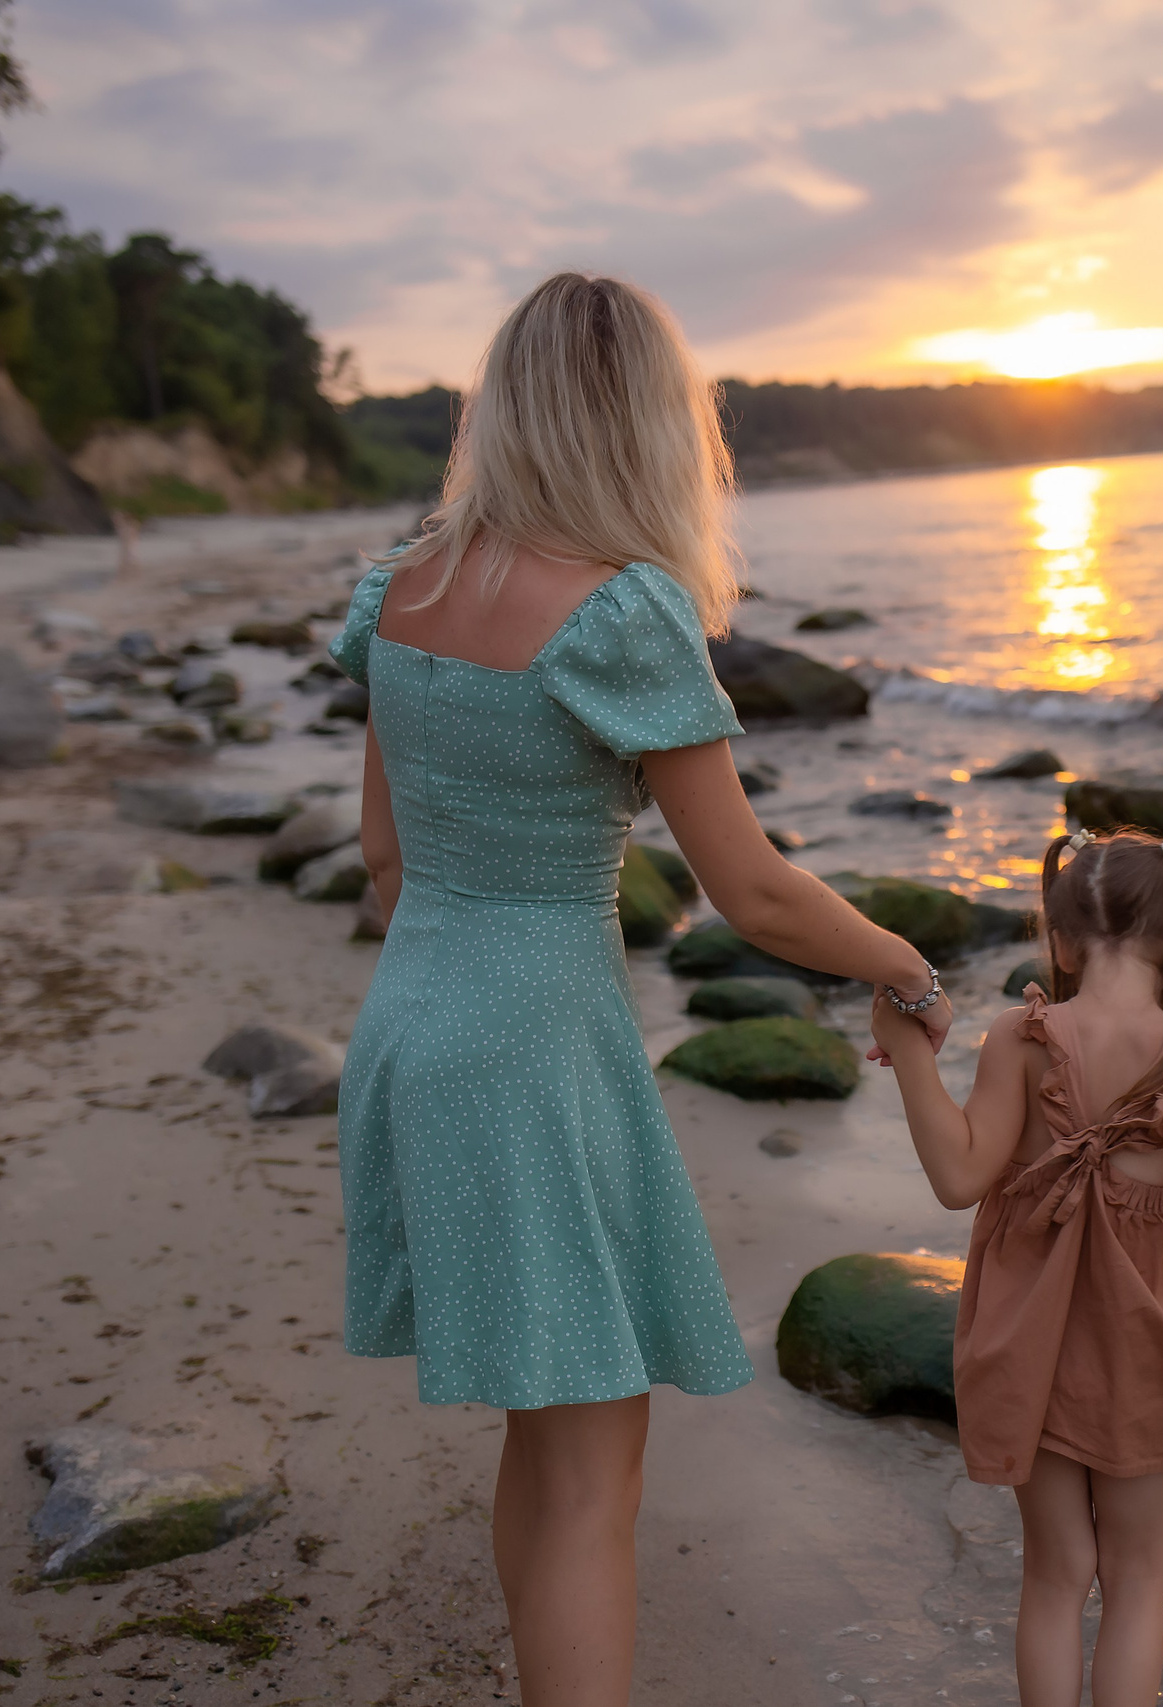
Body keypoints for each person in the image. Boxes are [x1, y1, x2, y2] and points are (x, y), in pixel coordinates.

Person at [326, 271, 954, 1707]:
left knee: (544, 1440)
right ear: (650, 425)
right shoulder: (622, 614)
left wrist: (458, 953)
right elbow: (755, 890)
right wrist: (904, 960)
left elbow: (380, 854)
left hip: (412, 1028)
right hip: (536, 1047)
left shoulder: (404, 587)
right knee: (594, 1473)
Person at [868, 828, 1163, 1707]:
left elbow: (956, 1178)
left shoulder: (1023, 1034)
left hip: (1032, 1330)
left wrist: (907, 1051)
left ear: (1059, 936)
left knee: (1056, 1574)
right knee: (1138, 1579)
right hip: (1149, 1331)